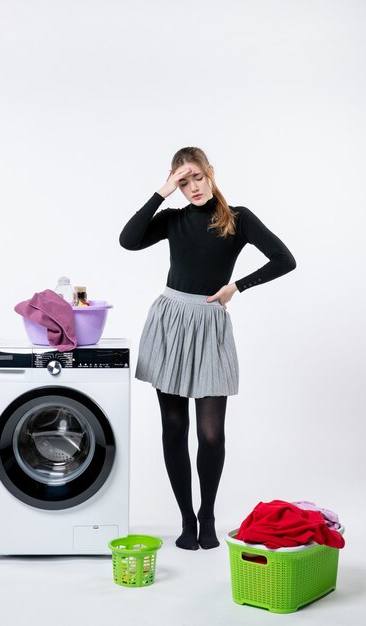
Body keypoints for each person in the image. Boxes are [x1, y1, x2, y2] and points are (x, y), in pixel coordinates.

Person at [119, 146, 296, 550]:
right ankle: (185, 518)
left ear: (211, 173)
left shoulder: (239, 219)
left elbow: (285, 259)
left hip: (209, 322)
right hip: (170, 321)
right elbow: (127, 241)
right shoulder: (173, 219)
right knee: (175, 427)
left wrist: (237, 287)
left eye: (197, 177)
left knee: (211, 433)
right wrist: (162, 191)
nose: (193, 187)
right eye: (183, 182)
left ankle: (208, 515)